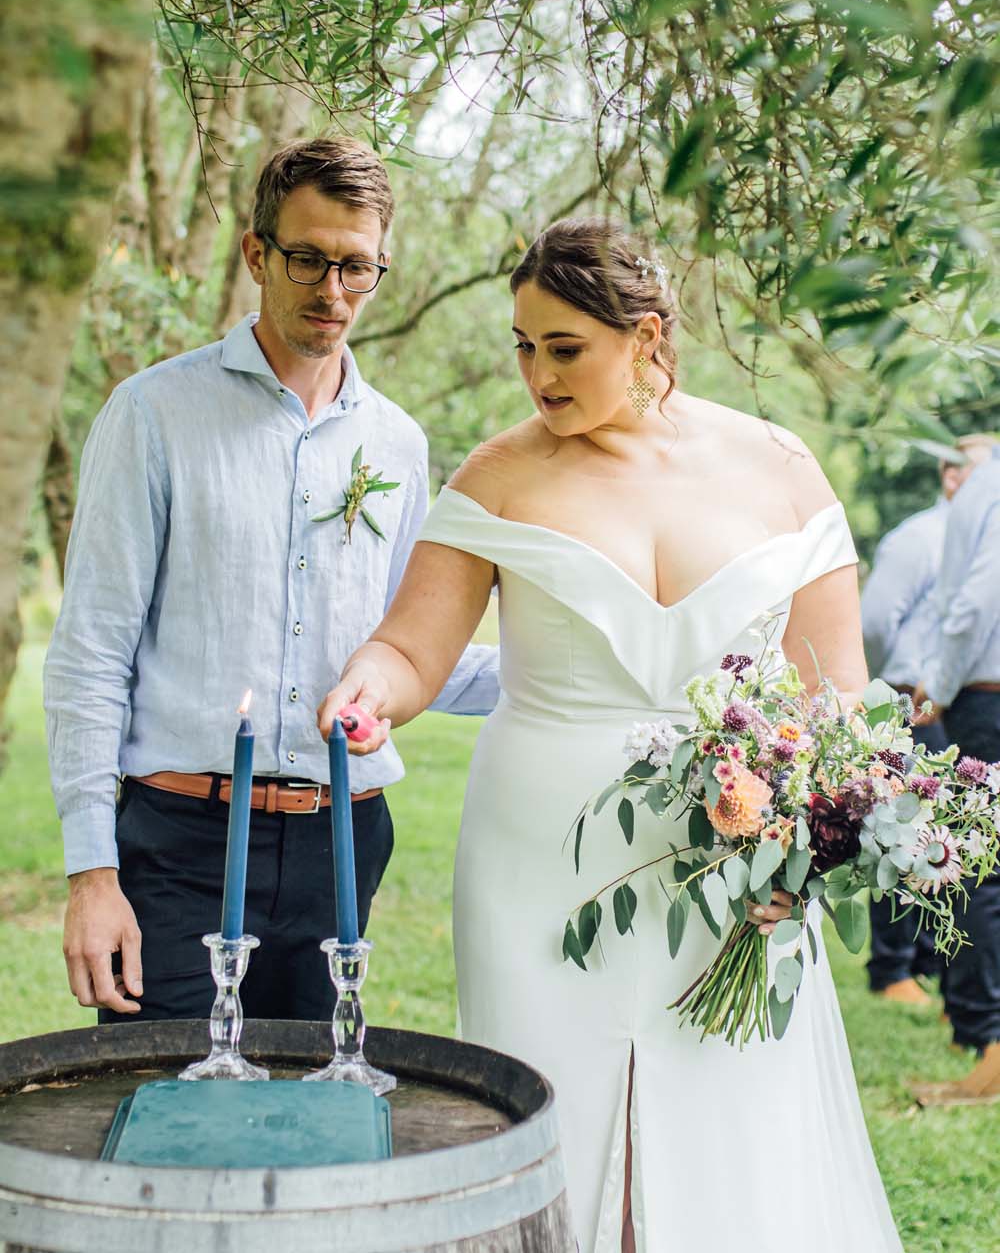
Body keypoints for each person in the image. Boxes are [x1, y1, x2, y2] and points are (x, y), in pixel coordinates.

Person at [318, 219, 902, 1253]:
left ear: (644, 336)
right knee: (556, 1101)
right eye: (523, 346)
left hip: (735, 857)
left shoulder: (778, 465)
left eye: (564, 348)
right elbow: (409, 649)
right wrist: (366, 693)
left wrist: (809, 851)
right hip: (541, 861)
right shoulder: (498, 476)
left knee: (732, 1116)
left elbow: (835, 699)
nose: (537, 374)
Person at [44, 136, 498, 1024]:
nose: (333, 292)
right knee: (173, 1124)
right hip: (180, 848)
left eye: (357, 268)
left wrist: (592, 676)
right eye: (308, 259)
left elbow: (416, 652)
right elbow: (91, 653)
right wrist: (92, 873)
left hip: (343, 843)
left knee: (312, 1131)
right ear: (257, 254)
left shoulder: (399, 446)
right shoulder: (152, 415)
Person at [860, 446, 978, 1002]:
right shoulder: (918, 538)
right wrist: (895, 683)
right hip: (912, 701)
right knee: (902, 829)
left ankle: (931, 958)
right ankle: (891, 968)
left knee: (948, 836)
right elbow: (876, 620)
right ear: (951, 476)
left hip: (956, 703)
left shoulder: (976, 541)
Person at [912, 434, 1000, 1104]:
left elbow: (975, 600)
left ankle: (987, 1047)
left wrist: (935, 684)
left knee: (978, 870)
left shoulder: (986, 485)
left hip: (985, 698)